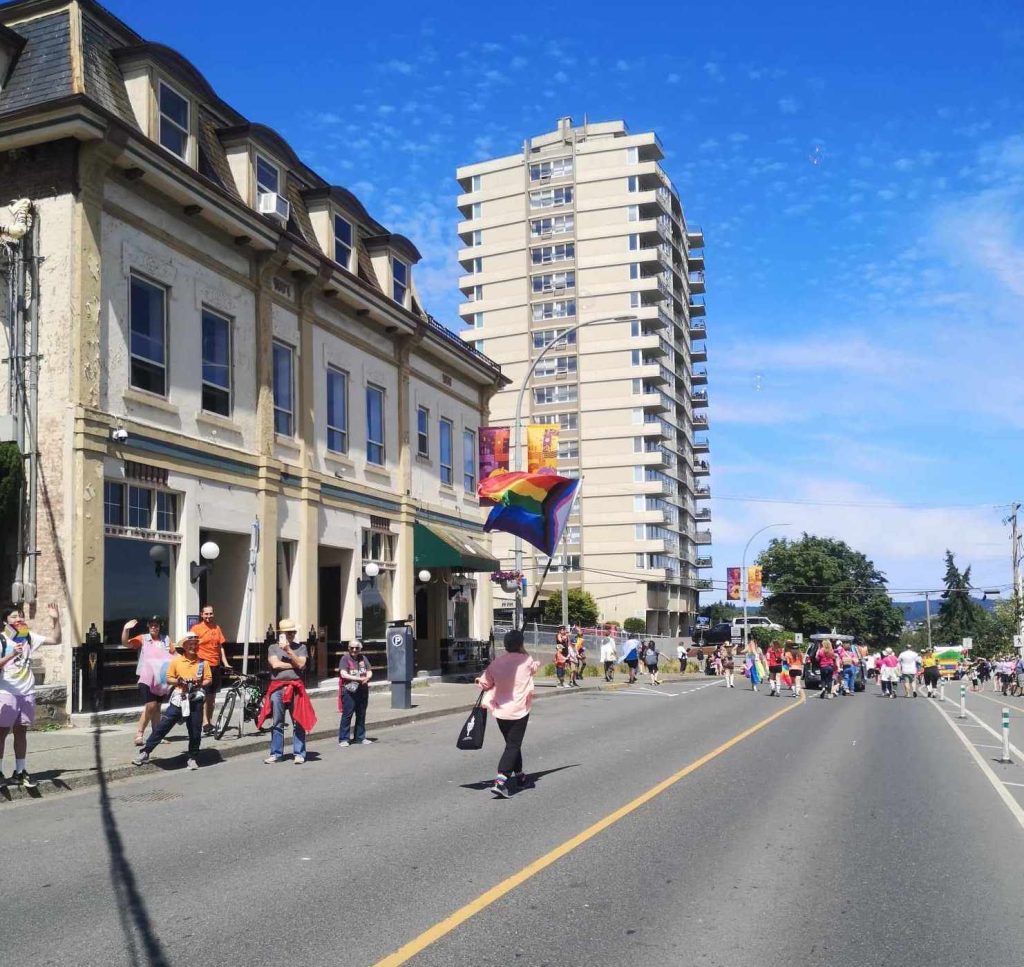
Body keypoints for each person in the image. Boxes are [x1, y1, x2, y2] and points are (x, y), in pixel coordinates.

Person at [0, 602, 61, 788]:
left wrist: (56, 619)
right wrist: (11, 654)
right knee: (1, 733)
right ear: (5, 621)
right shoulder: (2, 640)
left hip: (27, 693)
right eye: (14, 617)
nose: (18, 619)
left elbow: (56, 639)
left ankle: (20, 771)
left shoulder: (28, 637)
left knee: (21, 733)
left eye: (21, 616)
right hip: (6, 692)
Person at [475, 628, 539, 798]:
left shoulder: (496, 663)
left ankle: (520, 777)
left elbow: (485, 682)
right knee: (513, 745)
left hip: (500, 711)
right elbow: (533, 669)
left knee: (512, 743)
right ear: (520, 644)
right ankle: (501, 780)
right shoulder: (526, 660)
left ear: (505, 645)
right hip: (519, 710)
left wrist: (480, 681)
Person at [133, 632, 211, 770]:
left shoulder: (203, 663)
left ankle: (192, 757)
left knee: (195, 730)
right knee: (164, 725)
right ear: (185, 646)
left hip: (195, 699)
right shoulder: (176, 661)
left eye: (195, 644)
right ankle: (145, 752)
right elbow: (169, 678)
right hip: (179, 698)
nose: (193, 647)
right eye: (190, 644)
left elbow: (208, 679)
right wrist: (179, 681)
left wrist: (199, 684)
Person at [260, 618, 316, 764]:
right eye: (287, 632)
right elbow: (275, 664)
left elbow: (302, 664)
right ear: (281, 634)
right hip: (277, 688)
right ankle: (276, 753)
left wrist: (288, 651)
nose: (290, 634)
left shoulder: (301, 648)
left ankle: (299, 753)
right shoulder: (272, 647)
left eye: (292, 632)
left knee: (298, 721)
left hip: (296, 687)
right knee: (277, 722)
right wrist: (294, 664)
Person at [122, 615, 175, 747]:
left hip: (161, 678)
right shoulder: (143, 638)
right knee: (150, 706)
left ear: (160, 626)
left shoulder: (166, 640)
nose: (154, 627)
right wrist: (126, 629)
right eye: (151, 625)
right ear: (148, 626)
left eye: (156, 625)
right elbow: (126, 643)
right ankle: (139, 734)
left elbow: (174, 655)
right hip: (146, 678)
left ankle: (157, 735)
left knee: (157, 707)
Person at [190, 604, 232, 735]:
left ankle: (209, 722)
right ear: (201, 615)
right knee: (203, 695)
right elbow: (192, 646)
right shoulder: (196, 628)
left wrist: (225, 663)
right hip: (203, 665)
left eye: (211, 614)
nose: (209, 616)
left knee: (212, 697)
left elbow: (220, 648)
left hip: (215, 665)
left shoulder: (217, 628)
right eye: (206, 614)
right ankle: (205, 723)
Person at [338, 640, 373, 745]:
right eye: (352, 648)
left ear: (360, 649)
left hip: (362, 690)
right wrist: (357, 678)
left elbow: (369, 670)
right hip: (349, 691)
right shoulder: (345, 658)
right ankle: (344, 739)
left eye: (356, 648)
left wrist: (367, 677)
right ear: (348, 648)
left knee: (361, 714)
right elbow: (343, 674)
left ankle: (360, 737)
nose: (354, 650)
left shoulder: (363, 658)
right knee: (347, 714)